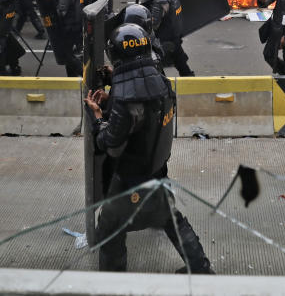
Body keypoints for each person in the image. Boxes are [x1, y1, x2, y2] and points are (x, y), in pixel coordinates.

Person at [83, 23, 213, 274]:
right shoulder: (161, 80)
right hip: (156, 168)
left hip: (132, 177)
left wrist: (98, 117)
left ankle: (112, 284)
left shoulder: (125, 99)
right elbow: (143, 114)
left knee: (110, 228)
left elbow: (108, 141)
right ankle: (201, 270)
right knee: (170, 219)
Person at [148, 0, 194, 76]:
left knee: (155, 66)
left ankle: (163, 87)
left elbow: (154, 25)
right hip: (175, 36)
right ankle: (190, 81)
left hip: (163, 39)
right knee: (182, 65)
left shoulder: (160, 1)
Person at [50, 0, 84, 77]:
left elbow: (61, 12)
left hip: (68, 27)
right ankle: (72, 76)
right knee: (70, 54)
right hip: (75, 26)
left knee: (67, 55)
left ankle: (84, 74)